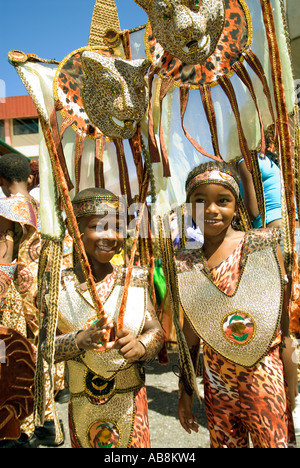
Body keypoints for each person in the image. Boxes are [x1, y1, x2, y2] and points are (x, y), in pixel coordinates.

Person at [174, 160, 296, 448]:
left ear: (236, 202)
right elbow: (190, 333)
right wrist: (186, 390)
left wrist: (290, 380)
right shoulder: (187, 260)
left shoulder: (261, 244)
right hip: (217, 383)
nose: (212, 210)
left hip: (265, 375)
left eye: (223, 200)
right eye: (200, 201)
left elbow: (284, 323)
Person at [40, 187, 164, 448]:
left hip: (130, 402)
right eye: (99, 226)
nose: (110, 236)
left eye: (117, 227)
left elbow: (156, 329)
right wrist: (78, 340)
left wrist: (142, 346)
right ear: (77, 232)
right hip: (83, 404)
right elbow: (44, 346)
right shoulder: (58, 286)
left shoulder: (136, 279)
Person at [0, 153, 64, 448]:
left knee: (17, 355)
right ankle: (48, 422)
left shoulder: (7, 208)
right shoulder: (45, 208)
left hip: (20, 292)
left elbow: (4, 258)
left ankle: (29, 425)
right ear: (28, 177)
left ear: (1, 182)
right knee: (44, 351)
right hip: (47, 286)